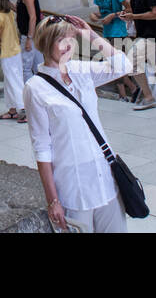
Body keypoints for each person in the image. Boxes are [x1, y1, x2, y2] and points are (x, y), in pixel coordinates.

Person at [24, 13, 134, 233]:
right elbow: (42, 147)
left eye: (70, 39)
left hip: (105, 178)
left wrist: (91, 35)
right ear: (46, 43)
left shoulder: (81, 70)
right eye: (59, 40)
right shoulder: (35, 88)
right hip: (72, 186)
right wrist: (53, 199)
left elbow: (123, 66)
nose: (67, 46)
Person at [88, 0, 134, 101]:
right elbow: (101, 12)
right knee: (113, 63)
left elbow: (129, 8)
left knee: (116, 64)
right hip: (107, 31)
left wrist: (113, 15)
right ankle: (133, 89)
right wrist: (95, 16)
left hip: (118, 31)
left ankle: (123, 94)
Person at [0, 0, 25, 122]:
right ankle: (12, 110)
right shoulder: (9, 13)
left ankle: (24, 109)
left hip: (7, 52)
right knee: (10, 80)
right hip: (15, 50)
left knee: (13, 81)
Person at [13, 0, 43, 83]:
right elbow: (21, 12)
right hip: (30, 34)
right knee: (39, 66)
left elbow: (33, 17)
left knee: (25, 68)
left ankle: (31, 93)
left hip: (30, 34)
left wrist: (29, 38)